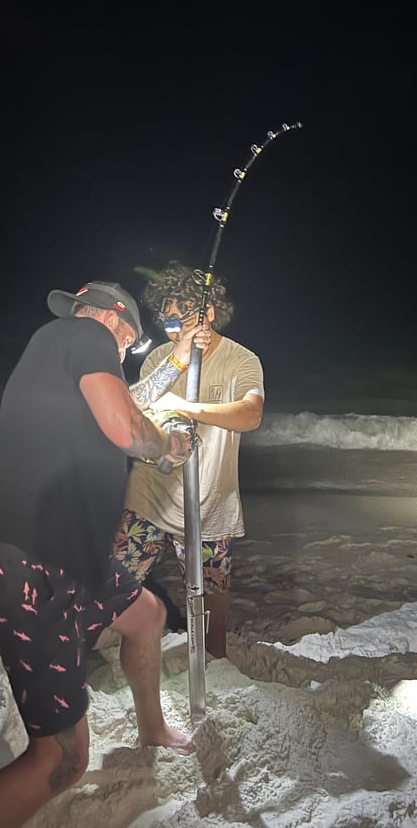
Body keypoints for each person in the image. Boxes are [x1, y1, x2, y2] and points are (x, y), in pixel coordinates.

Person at [0, 280, 207, 828]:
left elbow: (125, 405)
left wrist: (177, 361)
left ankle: (152, 728)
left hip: (69, 561)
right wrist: (167, 447)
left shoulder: (61, 354)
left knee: (147, 615)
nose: (121, 358)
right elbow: (126, 427)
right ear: (117, 325)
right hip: (27, 565)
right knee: (64, 761)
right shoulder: (83, 334)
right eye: (127, 350)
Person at [112, 265, 264, 658]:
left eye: (182, 319)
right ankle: (105, 650)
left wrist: (188, 408)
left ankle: (213, 663)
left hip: (212, 503)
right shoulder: (161, 359)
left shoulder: (241, 360)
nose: (174, 331)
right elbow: (137, 411)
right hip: (152, 497)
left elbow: (250, 415)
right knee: (115, 583)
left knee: (211, 603)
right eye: (167, 322)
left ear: (209, 312)